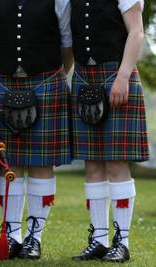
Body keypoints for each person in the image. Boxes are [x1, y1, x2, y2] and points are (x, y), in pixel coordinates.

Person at [0, 0, 73, 260]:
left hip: (46, 82)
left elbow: (68, 45)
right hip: (4, 82)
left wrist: (55, 79)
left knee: (41, 165)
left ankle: (34, 238)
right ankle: (11, 236)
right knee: (7, 163)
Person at [70, 0, 148, 263]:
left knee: (116, 164)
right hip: (84, 76)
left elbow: (137, 32)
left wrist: (123, 76)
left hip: (116, 73)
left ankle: (122, 242)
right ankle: (100, 240)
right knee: (92, 164)